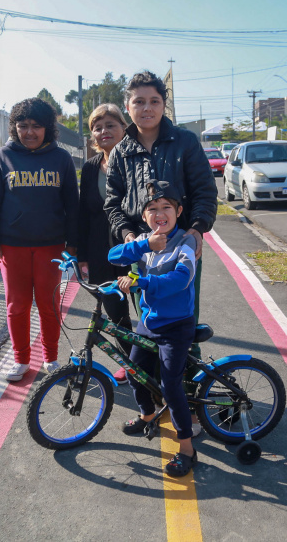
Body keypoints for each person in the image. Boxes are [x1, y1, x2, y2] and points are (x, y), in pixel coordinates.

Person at [104, 70, 217, 346]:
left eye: (154, 101)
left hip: (181, 245)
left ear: (163, 105)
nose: (147, 108)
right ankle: (154, 386)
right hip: (141, 250)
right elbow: (112, 203)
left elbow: (205, 191)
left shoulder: (185, 142)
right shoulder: (120, 151)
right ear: (128, 107)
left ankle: (186, 384)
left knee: (181, 320)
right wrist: (129, 235)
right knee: (148, 320)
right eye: (139, 101)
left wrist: (196, 230)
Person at [0, 97, 79, 382]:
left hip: (52, 246)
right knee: (17, 305)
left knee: (48, 304)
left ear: (48, 128)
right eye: (23, 126)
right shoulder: (2, 158)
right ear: (14, 128)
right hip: (12, 247)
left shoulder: (60, 159)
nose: (30, 132)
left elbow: (72, 204)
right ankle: (21, 360)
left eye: (37, 126)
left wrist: (72, 242)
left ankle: (50, 357)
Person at [109, 179, 198, 477]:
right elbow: (113, 256)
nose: (160, 214)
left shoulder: (186, 242)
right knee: (134, 372)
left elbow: (180, 280)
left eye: (166, 208)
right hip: (149, 323)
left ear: (178, 210)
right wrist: (144, 244)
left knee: (171, 386)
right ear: (144, 216)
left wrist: (143, 282)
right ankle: (148, 415)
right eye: (152, 209)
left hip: (176, 326)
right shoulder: (146, 242)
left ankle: (187, 449)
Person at [77, 104, 134, 382]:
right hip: (100, 251)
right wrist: (81, 255)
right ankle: (132, 360)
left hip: (135, 249)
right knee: (115, 312)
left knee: (149, 312)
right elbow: (83, 213)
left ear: (124, 128)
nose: (104, 131)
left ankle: (157, 365)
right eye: (97, 127)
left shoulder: (137, 160)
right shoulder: (89, 168)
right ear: (92, 136)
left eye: (111, 125)